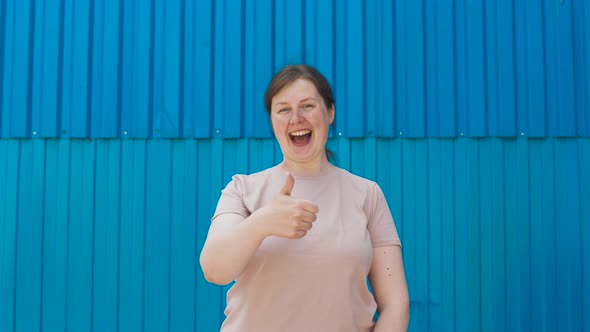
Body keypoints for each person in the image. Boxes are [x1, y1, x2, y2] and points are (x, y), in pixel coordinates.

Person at [199, 64, 410, 332]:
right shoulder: (242, 189)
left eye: (308, 106)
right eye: (284, 110)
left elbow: (395, 303)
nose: (296, 118)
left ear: (330, 112)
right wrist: (262, 223)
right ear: (273, 122)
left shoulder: (367, 194)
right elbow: (214, 270)